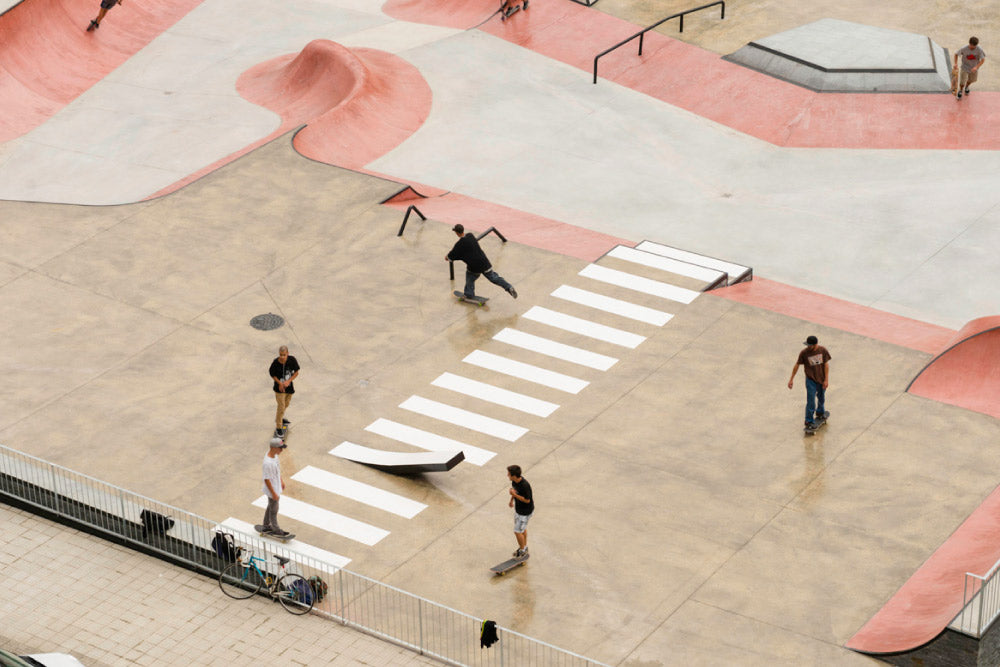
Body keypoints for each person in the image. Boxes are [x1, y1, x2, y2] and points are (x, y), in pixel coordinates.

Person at [446, 224, 518, 300]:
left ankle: (468, 294)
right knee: (494, 278)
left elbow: (452, 255)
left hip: (474, 267)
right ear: (463, 230)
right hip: (485, 263)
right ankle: (509, 287)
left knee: (470, 277)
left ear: (456, 233)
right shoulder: (470, 235)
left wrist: (447, 257)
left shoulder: (459, 244)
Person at [788, 335, 831, 429]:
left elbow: (826, 365)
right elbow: (797, 365)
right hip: (810, 380)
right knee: (811, 401)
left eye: (810, 345)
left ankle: (820, 412)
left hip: (821, 379)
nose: (808, 347)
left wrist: (826, 380)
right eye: (807, 345)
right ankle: (809, 421)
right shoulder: (804, 353)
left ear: (815, 344)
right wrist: (791, 379)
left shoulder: (822, 350)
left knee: (821, 397)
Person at [261, 438, 291, 537]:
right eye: (280, 448)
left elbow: (277, 470)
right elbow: (266, 479)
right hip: (272, 489)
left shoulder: (275, 456)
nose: (281, 450)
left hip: (276, 486)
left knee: (270, 506)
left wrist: (281, 480)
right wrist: (273, 493)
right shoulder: (267, 463)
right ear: (273, 448)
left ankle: (266, 525)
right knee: (274, 510)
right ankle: (275, 529)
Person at [269, 345, 299, 438]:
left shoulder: (292, 360)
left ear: (287, 354)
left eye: (284, 355)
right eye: (280, 355)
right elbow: (272, 374)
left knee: (286, 404)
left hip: (289, 388)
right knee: (281, 406)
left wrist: (288, 381)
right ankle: (279, 427)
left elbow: (296, 372)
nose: (282, 357)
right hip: (279, 390)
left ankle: (280, 418)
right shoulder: (275, 363)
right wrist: (280, 383)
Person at [507, 465, 533, 557]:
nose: (507, 475)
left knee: (517, 531)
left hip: (525, 512)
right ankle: (524, 547)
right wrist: (511, 500)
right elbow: (515, 491)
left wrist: (514, 494)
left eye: (509, 474)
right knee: (522, 529)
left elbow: (527, 500)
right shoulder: (514, 482)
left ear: (514, 475)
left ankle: (522, 550)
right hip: (518, 510)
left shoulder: (525, 485)